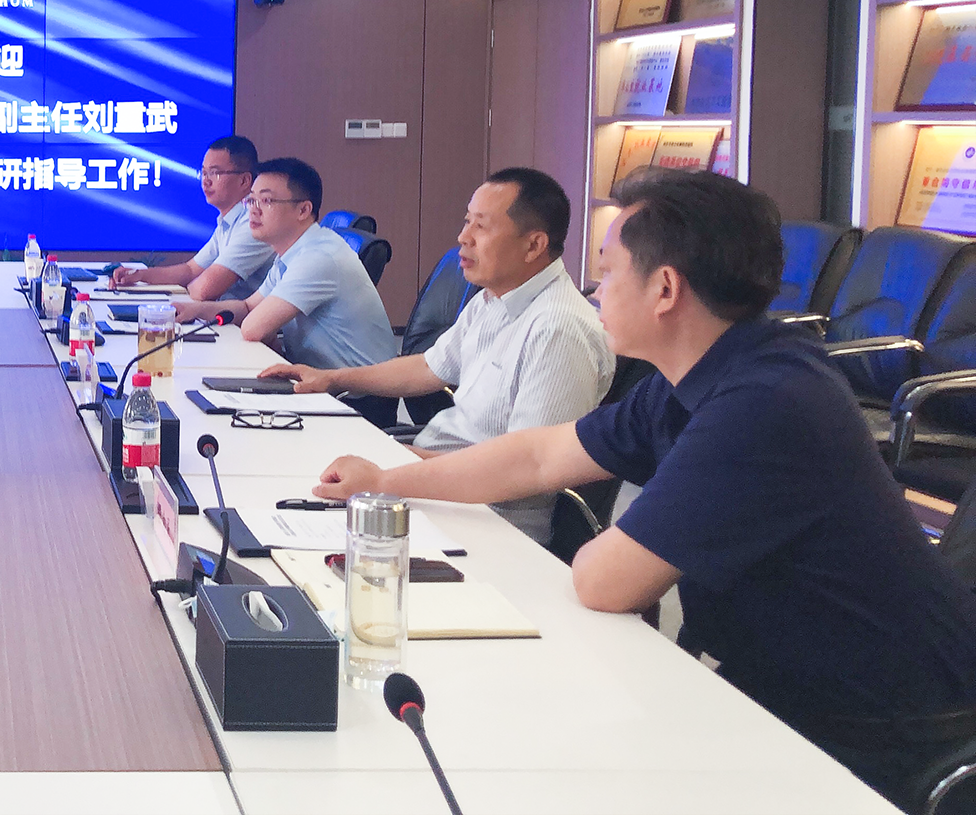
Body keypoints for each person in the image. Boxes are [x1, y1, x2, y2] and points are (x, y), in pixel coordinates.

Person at [312, 170, 976, 811]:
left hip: (874, 734)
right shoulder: (702, 371)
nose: (595, 290)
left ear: (664, 288)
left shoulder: (766, 402)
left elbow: (607, 580)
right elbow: (539, 455)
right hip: (777, 685)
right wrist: (386, 483)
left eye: (608, 271)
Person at [259, 168, 613, 543]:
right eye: (467, 221)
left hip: (486, 520)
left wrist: (387, 474)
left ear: (533, 245)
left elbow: (522, 474)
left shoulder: (558, 329)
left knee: (291, 533)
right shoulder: (493, 299)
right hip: (432, 484)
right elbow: (428, 367)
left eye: (481, 226)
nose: (464, 237)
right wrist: (331, 378)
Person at [174, 158, 395, 370]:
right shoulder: (291, 252)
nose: (253, 210)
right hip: (316, 377)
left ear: (303, 210)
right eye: (251, 200)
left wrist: (267, 334)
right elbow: (248, 307)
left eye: (267, 201)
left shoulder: (319, 257)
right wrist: (195, 310)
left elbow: (252, 328)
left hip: (353, 391)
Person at [111, 135, 271, 301]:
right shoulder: (228, 221)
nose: (206, 181)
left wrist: (189, 287)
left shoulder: (254, 222)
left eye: (215, 173)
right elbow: (190, 270)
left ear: (244, 180)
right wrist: (139, 275)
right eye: (204, 173)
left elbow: (205, 290)